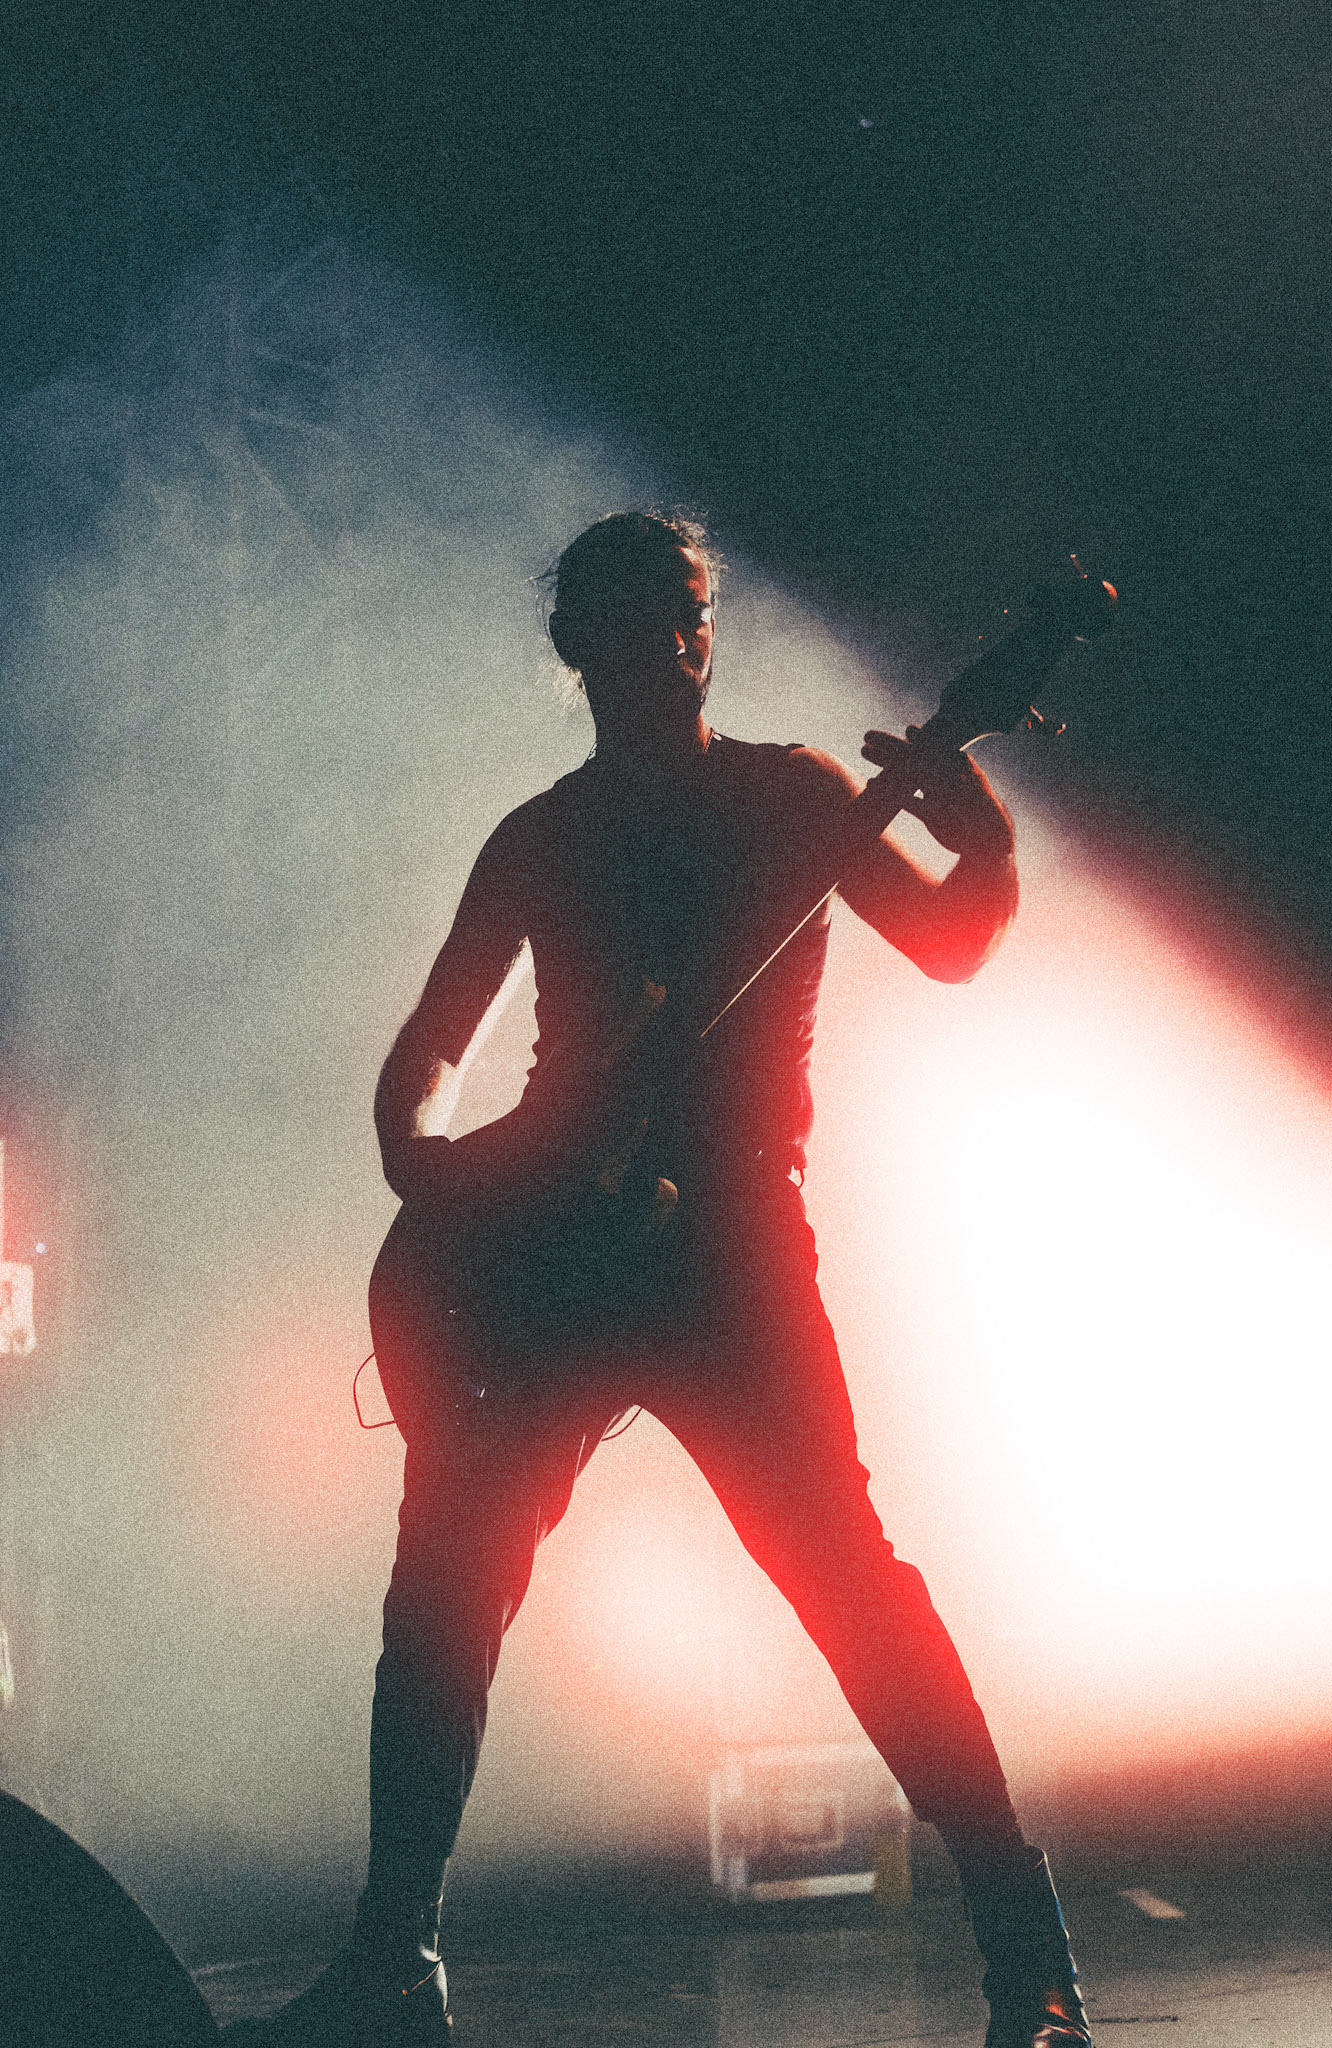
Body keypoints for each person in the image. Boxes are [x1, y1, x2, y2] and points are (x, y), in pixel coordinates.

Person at [275, 512, 1093, 2047]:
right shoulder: (538, 837)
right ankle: (392, 1962)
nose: (670, 641)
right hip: (550, 1250)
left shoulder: (795, 793)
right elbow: (425, 1059)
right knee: (440, 1596)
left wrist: (979, 841)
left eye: (688, 612)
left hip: (731, 1249)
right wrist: (435, 1170)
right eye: (635, 615)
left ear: (703, 634)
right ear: (576, 645)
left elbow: (947, 941)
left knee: (850, 1584)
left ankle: (1028, 1963)